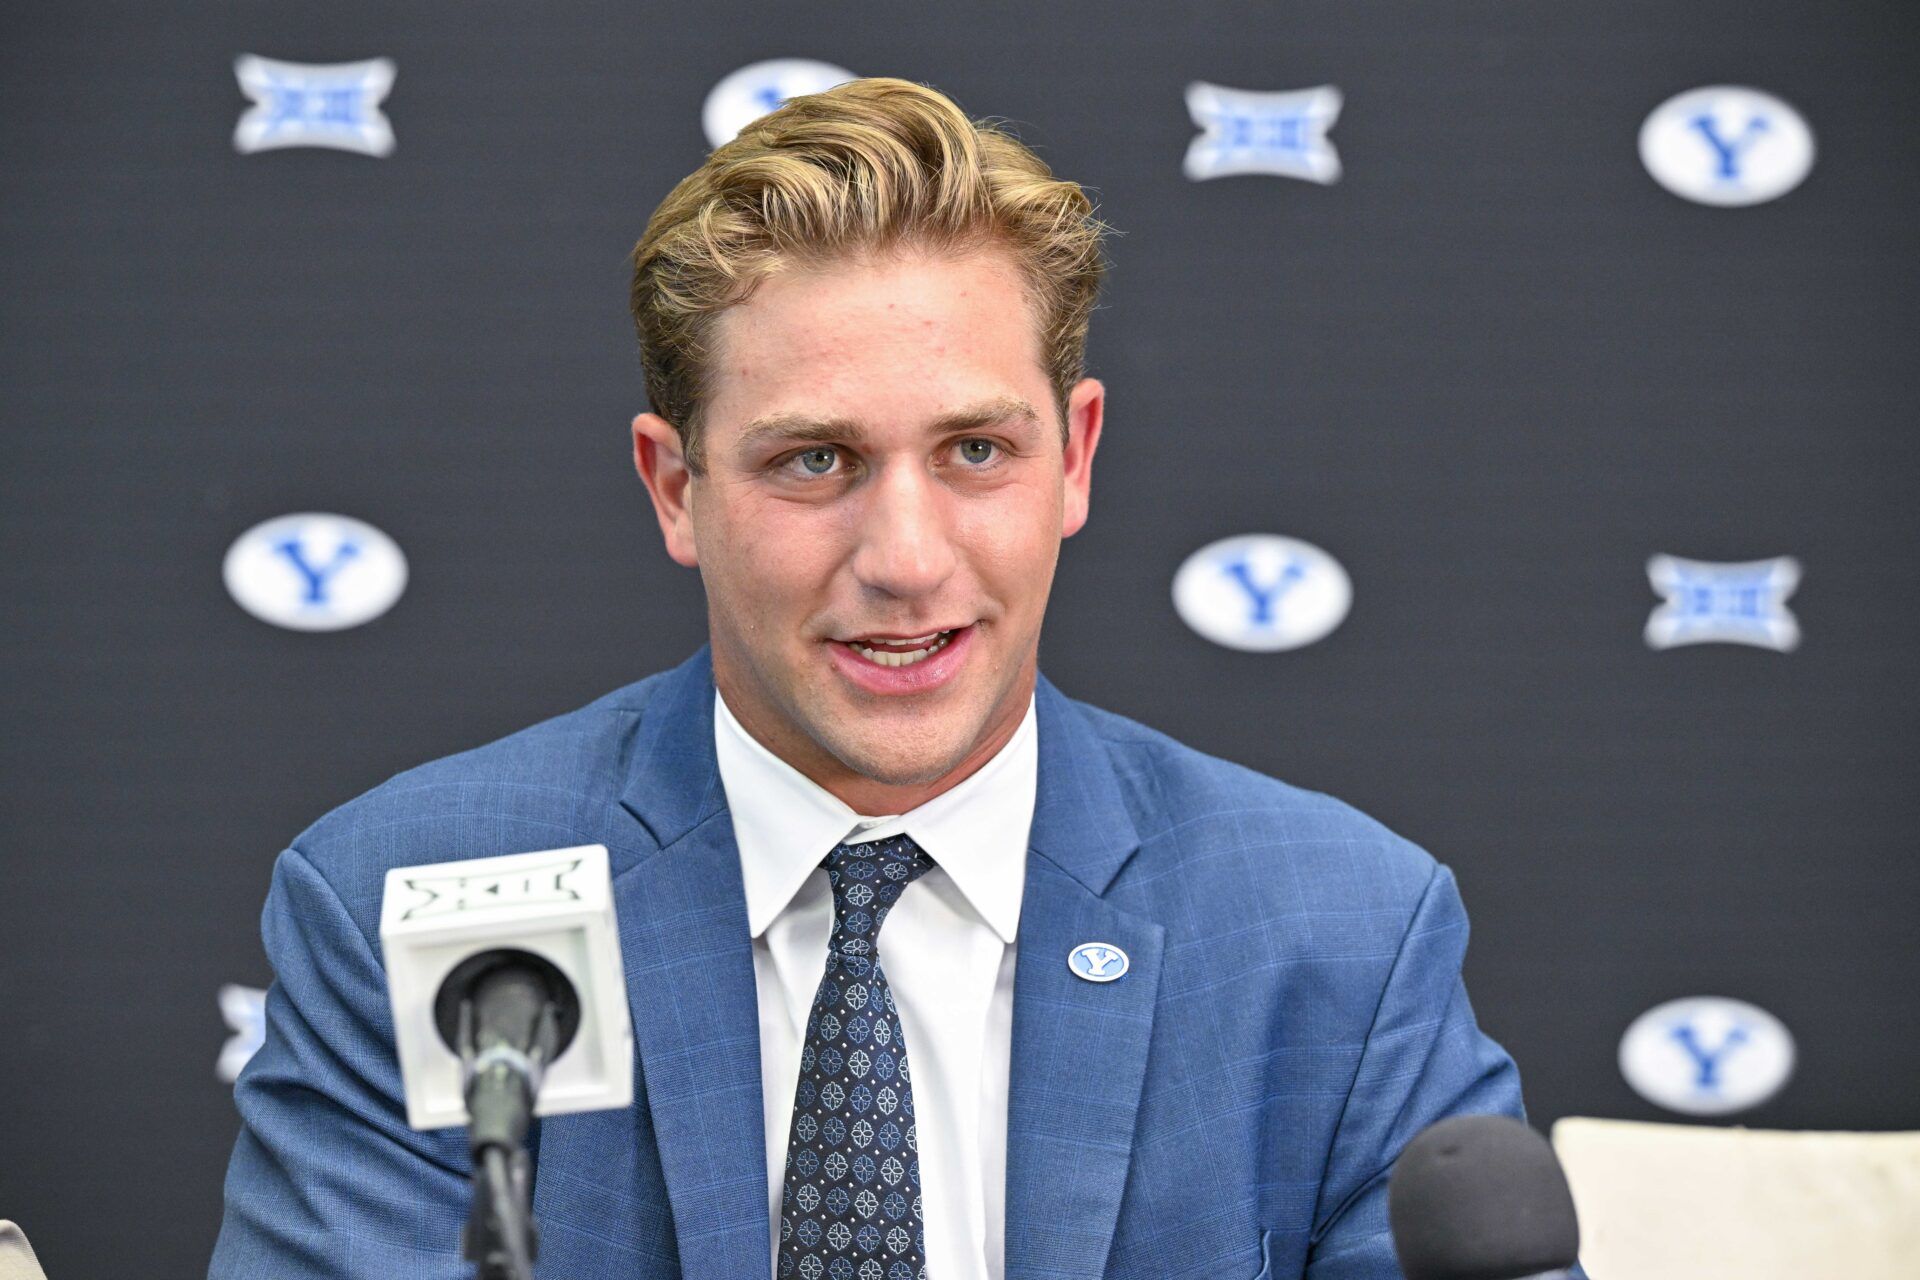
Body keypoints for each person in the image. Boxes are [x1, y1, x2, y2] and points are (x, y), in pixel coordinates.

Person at [210, 77, 1556, 1280]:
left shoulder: (1335, 935)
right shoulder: (419, 903)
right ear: (675, 489)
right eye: (814, 461)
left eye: (976, 451)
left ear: (1075, 460)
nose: (907, 560)